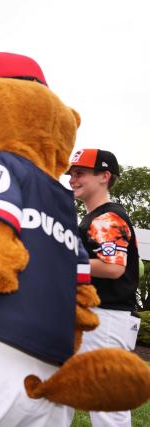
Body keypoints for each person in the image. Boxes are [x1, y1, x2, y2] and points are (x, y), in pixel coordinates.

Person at [68, 149, 141, 427]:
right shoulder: (94, 217)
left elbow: (113, 268)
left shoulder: (107, 217)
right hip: (98, 317)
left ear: (104, 176)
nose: (73, 179)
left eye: (80, 173)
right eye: (71, 173)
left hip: (108, 318)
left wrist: (63, 265)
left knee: (108, 408)